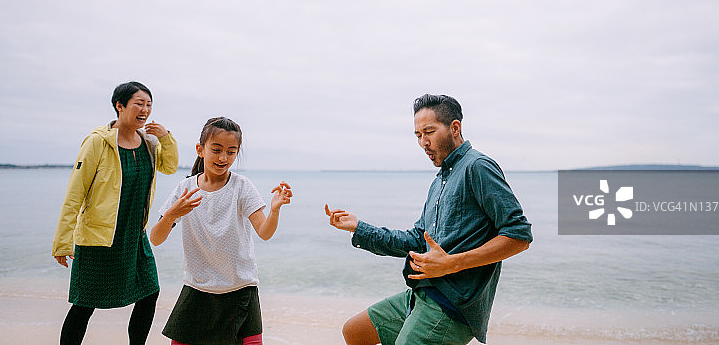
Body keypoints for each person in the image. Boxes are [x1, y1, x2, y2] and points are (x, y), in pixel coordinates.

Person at [325, 94, 532, 345]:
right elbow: (415, 239)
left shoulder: (478, 167)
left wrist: (452, 263)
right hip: (423, 292)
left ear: (455, 128)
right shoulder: (440, 180)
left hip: (452, 304)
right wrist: (358, 228)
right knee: (355, 331)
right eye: (418, 135)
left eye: (429, 132)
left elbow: (519, 235)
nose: (424, 142)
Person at [52, 81, 179, 345]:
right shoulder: (97, 142)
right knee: (85, 304)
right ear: (120, 106)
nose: (145, 110)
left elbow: (169, 167)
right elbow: (74, 194)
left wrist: (166, 138)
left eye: (149, 104)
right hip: (99, 237)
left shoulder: (149, 143)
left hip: (134, 235)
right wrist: (63, 241)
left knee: (149, 292)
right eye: (139, 104)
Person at [150, 116, 293, 345]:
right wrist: (171, 215)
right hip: (197, 288)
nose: (223, 158)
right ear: (200, 149)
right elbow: (155, 239)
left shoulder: (242, 186)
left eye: (231, 151)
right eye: (216, 150)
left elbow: (264, 232)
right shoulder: (184, 189)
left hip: (240, 289)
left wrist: (274, 210)